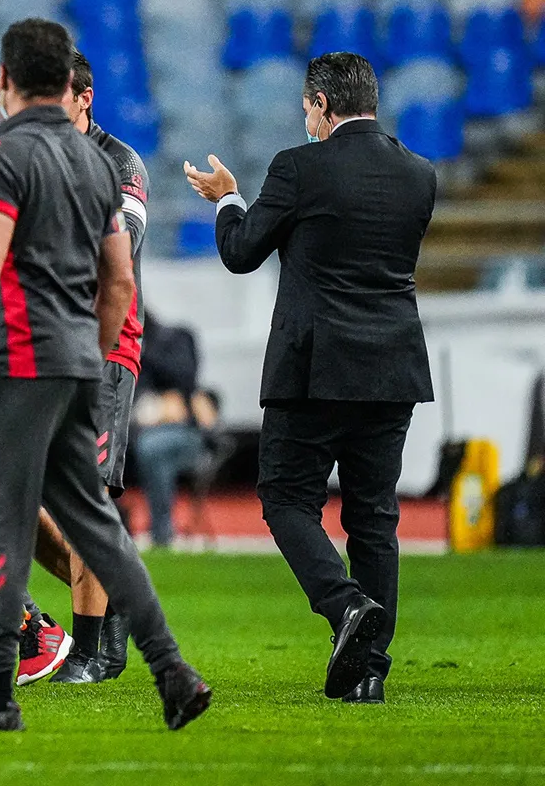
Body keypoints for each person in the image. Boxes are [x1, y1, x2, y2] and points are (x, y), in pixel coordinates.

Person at [0, 18, 209, 732]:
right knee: (95, 525)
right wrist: (91, 356)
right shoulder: (99, 164)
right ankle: (172, 669)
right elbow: (120, 281)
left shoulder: (0, 155)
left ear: (5, 81)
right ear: (66, 84)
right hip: (79, 362)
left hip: (16, 360)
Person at [185, 51, 436, 705]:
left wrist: (228, 198)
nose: (306, 120)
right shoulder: (419, 174)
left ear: (322, 104)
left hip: (315, 367)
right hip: (393, 367)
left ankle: (345, 604)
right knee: (374, 518)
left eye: (307, 109)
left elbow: (242, 252)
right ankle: (368, 672)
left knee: (286, 500)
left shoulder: (299, 168)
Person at [49, 49, 150, 685]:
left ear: (85, 98)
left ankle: (88, 652)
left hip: (102, 348)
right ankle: (116, 599)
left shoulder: (121, 165)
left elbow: (118, 254)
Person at [130, 313, 219, 549]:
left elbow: (186, 377)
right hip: (140, 432)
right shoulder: (122, 348)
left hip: (186, 434)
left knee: (153, 446)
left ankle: (162, 531)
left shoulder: (176, 337)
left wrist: (144, 353)